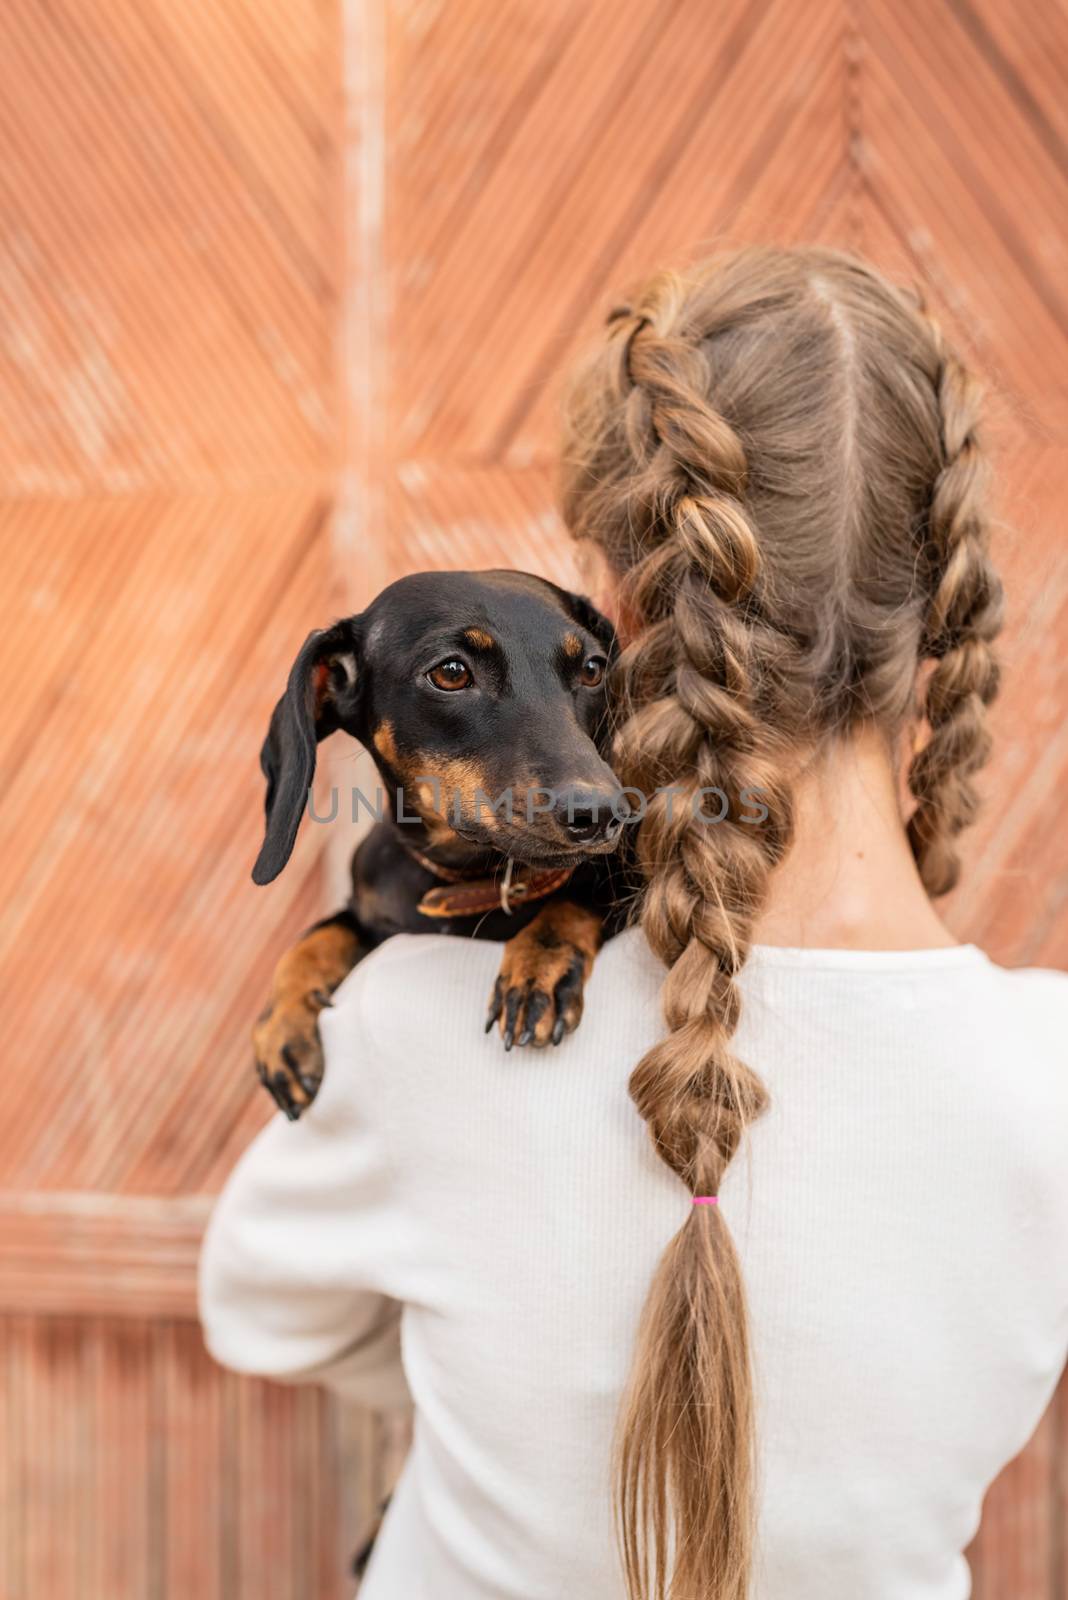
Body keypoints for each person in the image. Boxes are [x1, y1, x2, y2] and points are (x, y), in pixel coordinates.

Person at [199, 246, 1068, 1600]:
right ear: (940, 619)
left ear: (621, 611)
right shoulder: (1051, 1079)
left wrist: (488, 1389)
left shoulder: (419, 1019)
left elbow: (258, 1317)